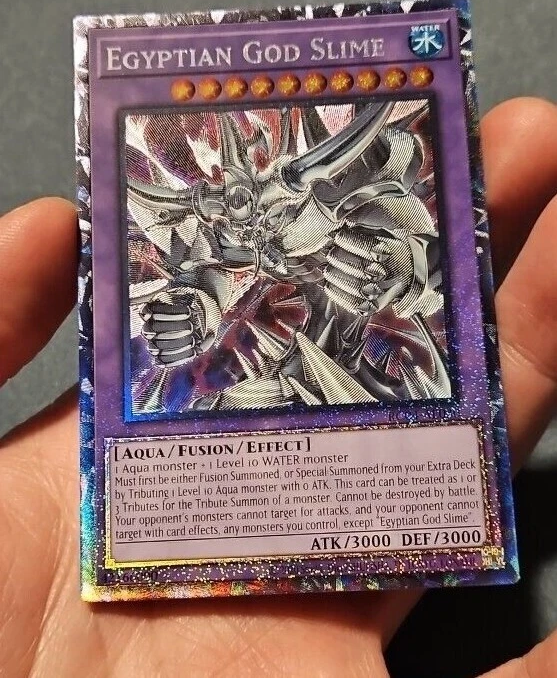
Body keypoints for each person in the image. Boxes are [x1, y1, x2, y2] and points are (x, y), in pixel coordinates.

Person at [0, 97, 556, 677]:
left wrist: (391, 264)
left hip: (376, 438)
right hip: (223, 484)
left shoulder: (324, 167)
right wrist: (198, 307)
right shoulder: (196, 211)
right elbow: (200, 272)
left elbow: (406, 206)